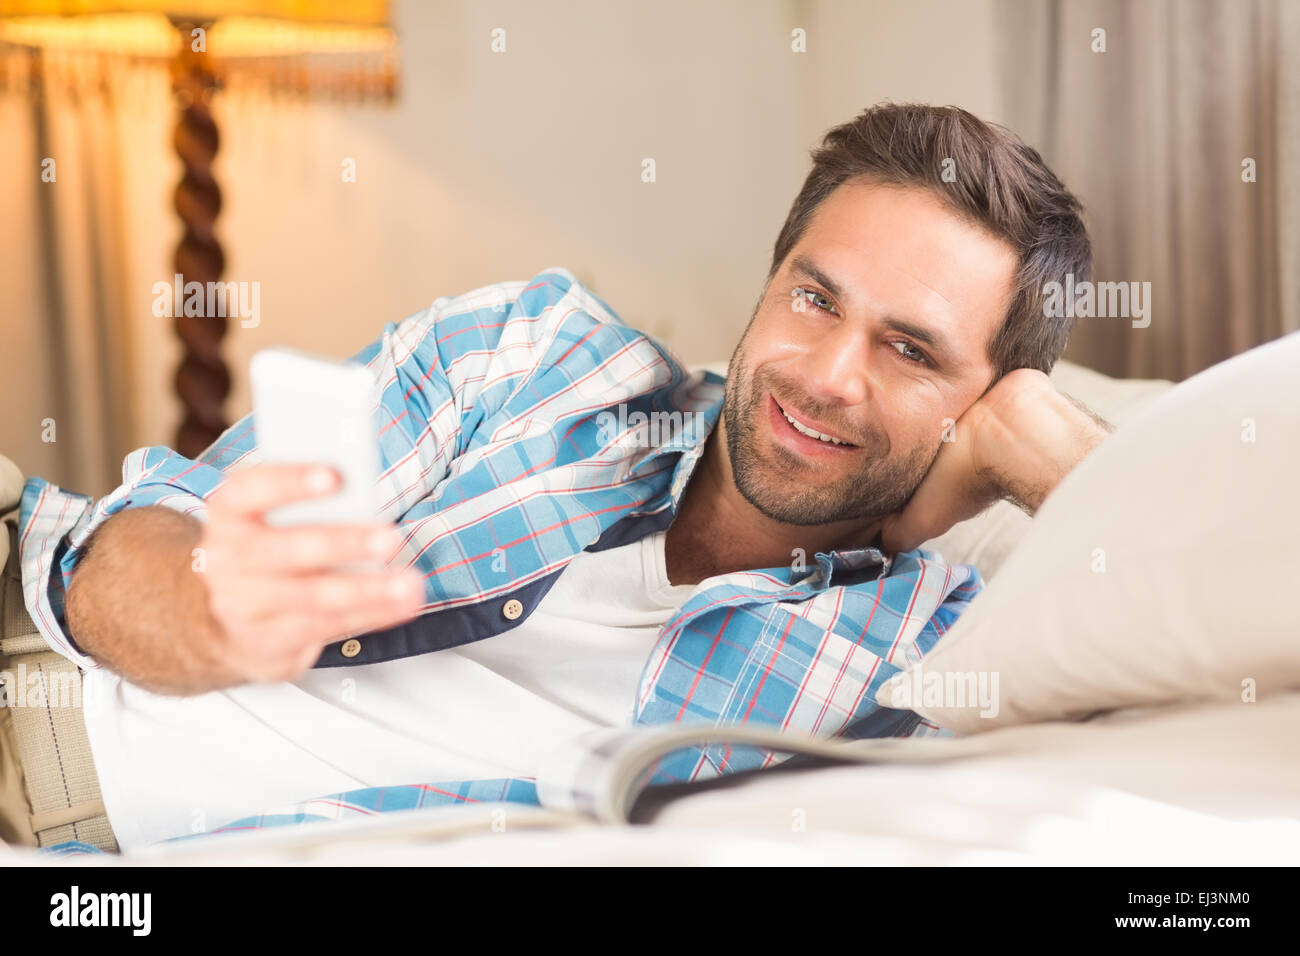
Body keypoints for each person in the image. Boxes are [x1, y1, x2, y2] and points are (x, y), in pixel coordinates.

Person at [15, 103, 1111, 851]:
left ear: (990, 397)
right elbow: (124, 545)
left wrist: (1044, 448)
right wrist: (206, 607)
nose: (824, 377)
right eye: (814, 297)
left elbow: (1221, 622)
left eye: (909, 350)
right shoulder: (536, 356)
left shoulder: (931, 660)